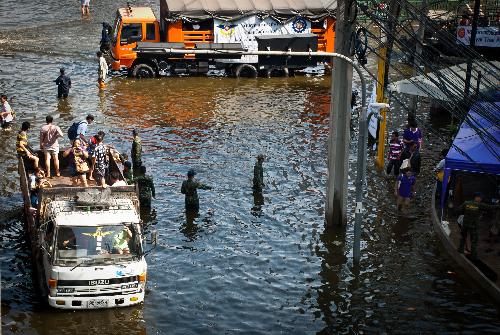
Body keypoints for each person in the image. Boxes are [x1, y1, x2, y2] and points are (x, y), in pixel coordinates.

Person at [456, 193, 500, 260]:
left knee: (463, 237)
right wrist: (498, 205)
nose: (481, 199)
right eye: (480, 198)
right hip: (473, 226)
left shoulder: (466, 203)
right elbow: (490, 207)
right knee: (474, 240)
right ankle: (473, 256)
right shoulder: (480, 205)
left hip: (465, 224)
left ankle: (460, 250)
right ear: (476, 198)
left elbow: (458, 210)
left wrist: (466, 212)